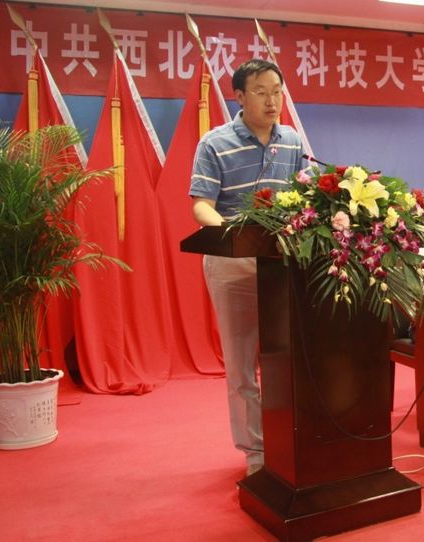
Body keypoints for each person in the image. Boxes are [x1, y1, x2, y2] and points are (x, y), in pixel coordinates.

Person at [189, 59, 303, 476]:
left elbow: (305, 196)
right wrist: (231, 234)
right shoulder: (214, 143)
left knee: (287, 359)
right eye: (261, 92)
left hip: (282, 265)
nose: (272, 101)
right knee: (241, 366)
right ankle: (255, 453)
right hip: (233, 263)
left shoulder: (292, 141)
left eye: (277, 91)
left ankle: (288, 439)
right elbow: (201, 204)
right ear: (239, 96)